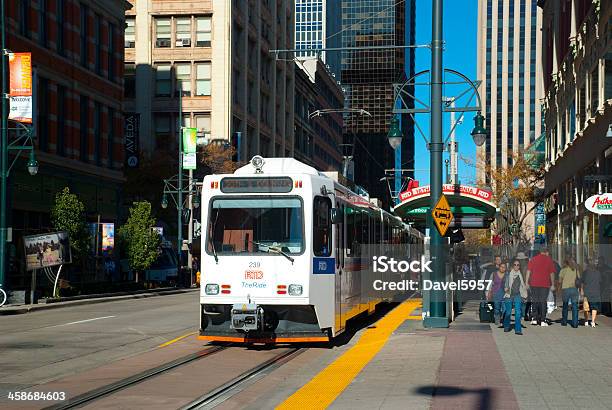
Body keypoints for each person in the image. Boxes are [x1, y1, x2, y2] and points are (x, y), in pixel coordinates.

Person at [526, 246, 556, 326]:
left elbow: (528, 272)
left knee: (535, 300)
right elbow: (552, 273)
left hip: (534, 283)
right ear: (546, 252)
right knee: (543, 301)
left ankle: (534, 319)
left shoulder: (533, 259)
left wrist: (526, 282)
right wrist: (552, 284)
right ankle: (543, 320)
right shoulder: (549, 260)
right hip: (544, 284)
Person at [503, 259, 528, 335]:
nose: (516, 266)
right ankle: (506, 326)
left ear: (519, 266)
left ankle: (518, 330)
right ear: (512, 266)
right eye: (515, 265)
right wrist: (506, 288)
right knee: (508, 312)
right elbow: (505, 284)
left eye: (518, 265)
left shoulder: (521, 275)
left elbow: (524, 285)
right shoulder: (508, 274)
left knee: (518, 312)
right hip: (509, 295)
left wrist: (525, 293)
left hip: (518, 295)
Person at [558, 256, 580, 328]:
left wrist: (559, 289)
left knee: (565, 305)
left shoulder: (563, 270)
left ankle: (564, 321)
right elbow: (579, 279)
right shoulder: (576, 269)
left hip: (566, 289)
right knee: (574, 306)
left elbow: (560, 281)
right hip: (574, 289)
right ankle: (575, 323)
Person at [582, 258, 602, 327]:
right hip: (595, 292)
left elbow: (582, 282)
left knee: (586, 308)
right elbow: (600, 282)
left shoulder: (585, 272)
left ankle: (586, 321)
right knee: (594, 307)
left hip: (587, 292)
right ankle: (593, 322)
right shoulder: (598, 272)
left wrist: (581, 290)